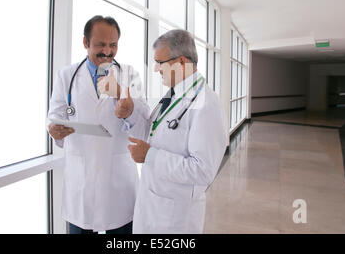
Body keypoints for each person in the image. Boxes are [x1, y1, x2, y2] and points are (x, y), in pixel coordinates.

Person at [47, 15, 148, 234]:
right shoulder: (66, 76)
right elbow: (54, 117)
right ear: (85, 43)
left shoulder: (129, 75)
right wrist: (54, 130)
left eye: (113, 45)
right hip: (81, 180)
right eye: (100, 44)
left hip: (118, 181)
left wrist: (125, 103)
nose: (108, 51)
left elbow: (144, 126)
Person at [121, 29, 227, 233]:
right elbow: (154, 136)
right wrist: (130, 113)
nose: (155, 69)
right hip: (153, 204)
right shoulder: (173, 95)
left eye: (160, 62)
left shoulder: (207, 105)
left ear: (181, 62)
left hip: (175, 218)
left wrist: (150, 156)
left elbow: (203, 171)